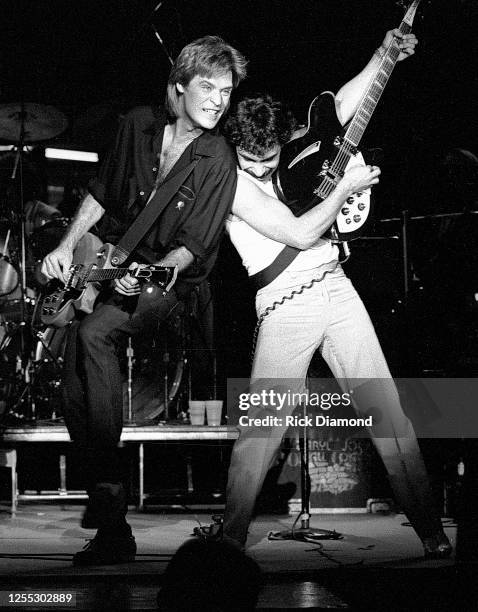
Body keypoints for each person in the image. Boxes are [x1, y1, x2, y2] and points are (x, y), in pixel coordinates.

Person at [219, 29, 452, 558]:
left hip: (337, 289)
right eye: (251, 160)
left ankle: (433, 535)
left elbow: (343, 105)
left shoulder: (290, 144)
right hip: (285, 306)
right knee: (262, 431)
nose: (261, 170)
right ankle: (228, 546)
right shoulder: (230, 182)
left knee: (390, 414)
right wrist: (347, 187)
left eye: (269, 159)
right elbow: (300, 234)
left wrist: (383, 53)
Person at [41, 35, 247, 566]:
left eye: (226, 91)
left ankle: (107, 492)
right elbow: (101, 192)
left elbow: (193, 249)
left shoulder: (217, 156)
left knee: (95, 332)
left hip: (173, 286)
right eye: (208, 87)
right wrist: (66, 247)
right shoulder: (136, 124)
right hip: (111, 262)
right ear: (178, 87)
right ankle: (112, 524)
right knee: (70, 387)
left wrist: (150, 273)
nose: (218, 100)